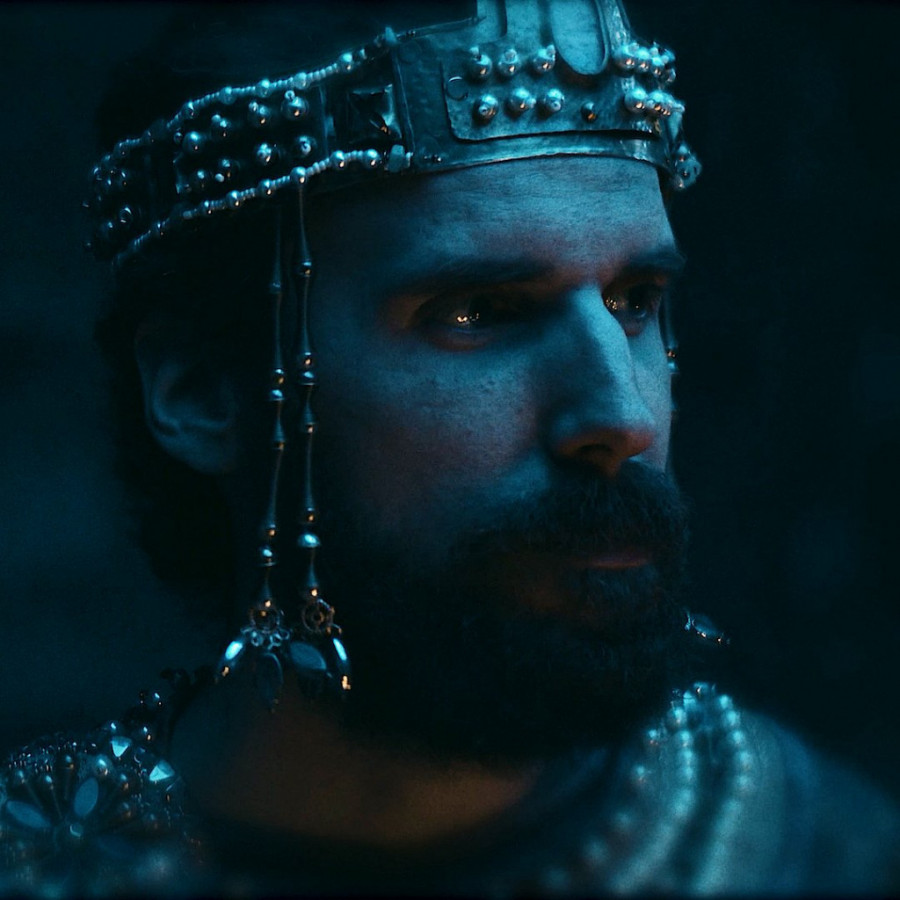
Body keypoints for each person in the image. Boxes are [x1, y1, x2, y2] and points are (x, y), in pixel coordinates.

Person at [1, 0, 897, 895]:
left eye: (635, 301)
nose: (623, 416)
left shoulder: (823, 858)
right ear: (200, 393)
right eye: (476, 313)